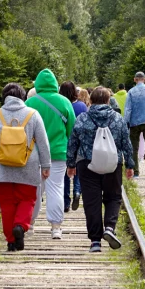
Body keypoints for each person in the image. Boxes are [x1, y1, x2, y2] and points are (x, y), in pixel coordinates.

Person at [0, 83, 52, 250]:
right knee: (27, 199)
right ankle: (20, 226)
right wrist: (46, 165)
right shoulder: (33, 114)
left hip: (1, 167)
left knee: (6, 204)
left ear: (4, 97)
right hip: (27, 165)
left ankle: (11, 241)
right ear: (23, 97)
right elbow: (43, 142)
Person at [66, 87, 135, 253]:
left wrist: (71, 164)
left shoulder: (82, 118)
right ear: (108, 100)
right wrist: (130, 165)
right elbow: (126, 143)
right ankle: (109, 228)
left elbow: (73, 142)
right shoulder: (118, 119)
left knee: (91, 201)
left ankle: (95, 241)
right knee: (113, 197)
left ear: (91, 101)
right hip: (113, 163)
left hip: (87, 164)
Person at [25, 69, 76, 239]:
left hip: (34, 154)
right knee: (56, 188)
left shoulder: (30, 103)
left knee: (34, 190)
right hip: (58, 153)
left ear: (38, 84)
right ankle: (56, 227)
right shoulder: (64, 102)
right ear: (55, 84)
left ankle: (30, 225)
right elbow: (72, 129)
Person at [60, 81, 87, 212]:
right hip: (80, 143)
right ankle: (77, 191)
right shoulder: (82, 106)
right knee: (78, 170)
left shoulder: (61, 105)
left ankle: (65, 202)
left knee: (65, 174)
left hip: (65, 142)